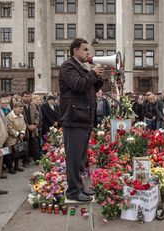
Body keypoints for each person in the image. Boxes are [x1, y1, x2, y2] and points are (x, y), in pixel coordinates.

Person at [59, 38, 104, 202]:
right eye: (85, 50)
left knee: (80, 158)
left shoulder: (82, 68)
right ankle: (72, 192)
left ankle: (79, 188)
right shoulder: (68, 66)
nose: (88, 53)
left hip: (83, 119)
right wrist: (92, 73)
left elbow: (89, 88)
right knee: (74, 157)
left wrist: (97, 78)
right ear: (75, 51)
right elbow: (78, 85)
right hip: (74, 119)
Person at [6, 102, 26, 173]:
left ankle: (16, 166)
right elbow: (9, 128)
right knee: (10, 153)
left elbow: (24, 125)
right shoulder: (9, 116)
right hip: (11, 137)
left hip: (19, 137)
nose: (20, 111)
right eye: (19, 109)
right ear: (14, 108)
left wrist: (22, 132)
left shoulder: (21, 116)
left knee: (18, 152)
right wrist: (18, 134)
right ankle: (10, 167)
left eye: (21, 109)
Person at [21, 91, 40, 163]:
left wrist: (35, 124)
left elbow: (37, 116)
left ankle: (37, 160)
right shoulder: (20, 105)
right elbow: (20, 118)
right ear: (22, 97)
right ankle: (26, 161)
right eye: (25, 96)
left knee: (35, 144)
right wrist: (27, 126)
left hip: (33, 128)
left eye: (28, 96)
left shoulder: (32, 105)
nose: (27, 98)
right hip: (25, 129)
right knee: (26, 145)